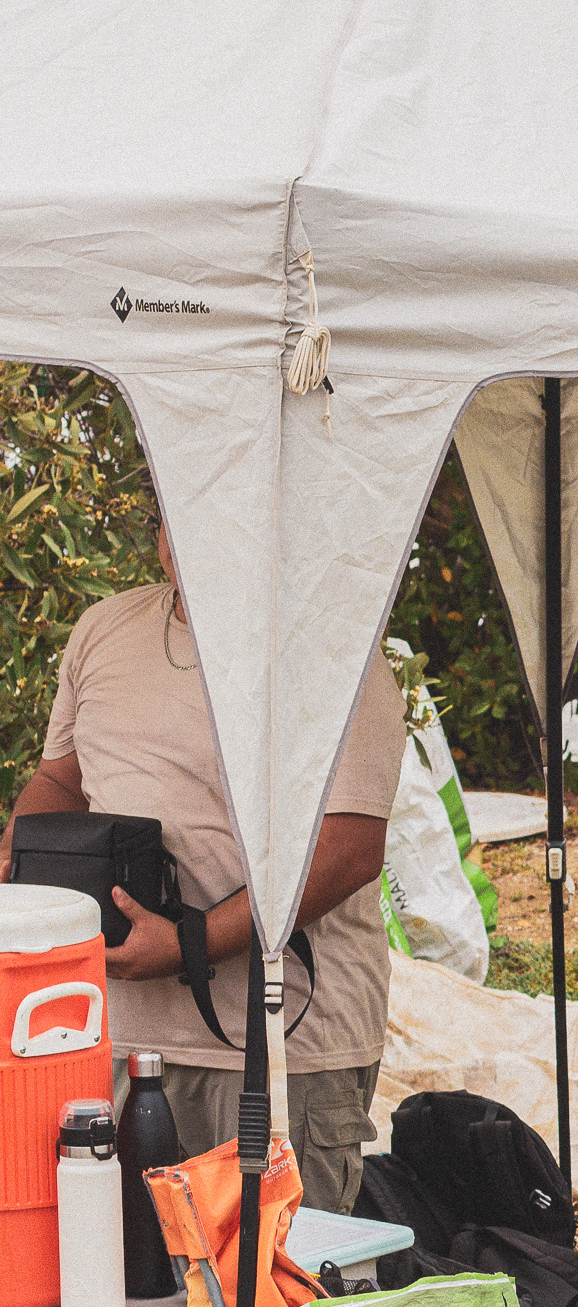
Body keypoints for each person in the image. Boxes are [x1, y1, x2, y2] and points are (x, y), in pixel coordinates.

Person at [0, 519, 406, 1214]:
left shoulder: (331, 645)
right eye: (168, 508)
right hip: (109, 1037)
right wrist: (24, 858)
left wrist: (191, 943)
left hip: (277, 1049)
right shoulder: (105, 628)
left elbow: (350, 846)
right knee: (121, 1291)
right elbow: (60, 781)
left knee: (267, 1302)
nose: (183, 530)